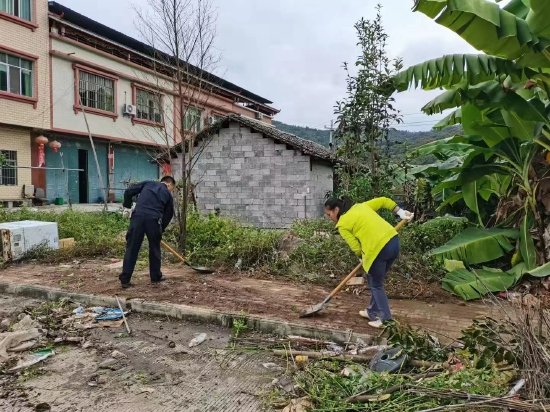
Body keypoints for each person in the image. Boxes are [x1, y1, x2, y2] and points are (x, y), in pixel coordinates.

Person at [324, 196, 413, 329]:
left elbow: (355, 247)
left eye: (329, 214)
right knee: (376, 281)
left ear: (336, 210)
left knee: (376, 285)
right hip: (393, 243)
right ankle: (372, 311)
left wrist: (361, 256)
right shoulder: (360, 206)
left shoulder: (342, 224)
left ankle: (386, 320)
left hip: (377, 252)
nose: (329, 218)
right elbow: (383, 201)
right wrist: (400, 212)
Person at [119, 176, 176, 289]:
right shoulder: (167, 194)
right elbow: (168, 214)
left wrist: (127, 206)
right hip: (154, 220)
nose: (170, 191)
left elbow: (129, 191)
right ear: (169, 185)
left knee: (132, 248)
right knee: (154, 248)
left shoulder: (147, 183)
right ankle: (155, 276)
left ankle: (125, 280)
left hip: (138, 217)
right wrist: (161, 228)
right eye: (172, 188)